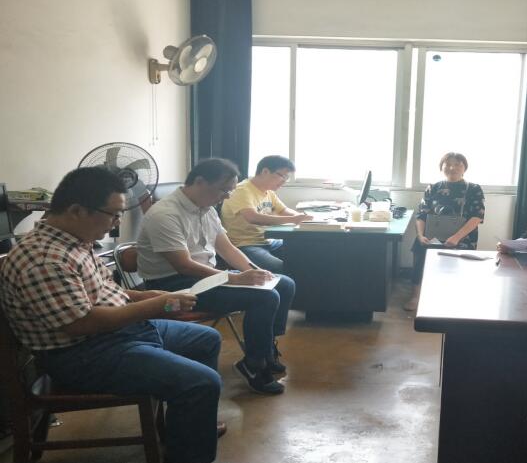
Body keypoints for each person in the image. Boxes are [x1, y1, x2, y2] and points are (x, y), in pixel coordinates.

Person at [0, 167, 224, 463]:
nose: (118, 222)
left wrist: (145, 296)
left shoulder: (75, 241)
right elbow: (82, 323)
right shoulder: (44, 260)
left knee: (206, 339)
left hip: (118, 334)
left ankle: (188, 426)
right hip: (83, 355)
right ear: (77, 210)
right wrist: (156, 305)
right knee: (202, 382)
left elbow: (105, 289)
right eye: (113, 215)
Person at [137, 158, 296, 395]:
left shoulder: (207, 209)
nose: (227, 196)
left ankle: (265, 349)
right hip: (173, 286)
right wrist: (232, 278)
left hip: (205, 277)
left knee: (284, 283)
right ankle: (255, 365)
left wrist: (254, 270)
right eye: (223, 190)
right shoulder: (164, 214)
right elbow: (184, 265)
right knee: (265, 297)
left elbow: (227, 248)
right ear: (200, 182)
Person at [406, 152, 485, 311]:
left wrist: (456, 237)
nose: (452, 168)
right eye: (448, 164)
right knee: (420, 247)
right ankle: (415, 295)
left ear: (464, 168)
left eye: (457, 164)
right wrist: (420, 235)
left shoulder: (474, 189)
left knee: (460, 257)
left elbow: (477, 217)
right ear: (441, 167)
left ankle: (454, 297)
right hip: (433, 235)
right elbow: (421, 215)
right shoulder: (433, 188)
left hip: (462, 237)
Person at [220, 155, 313, 273]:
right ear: (265, 171)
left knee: (307, 252)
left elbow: (284, 210)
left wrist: (306, 218)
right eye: (283, 176)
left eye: (287, 178)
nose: (284, 181)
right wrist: (294, 219)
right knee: (281, 268)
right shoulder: (242, 190)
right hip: (245, 245)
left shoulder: (268, 192)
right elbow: (253, 217)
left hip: (268, 241)